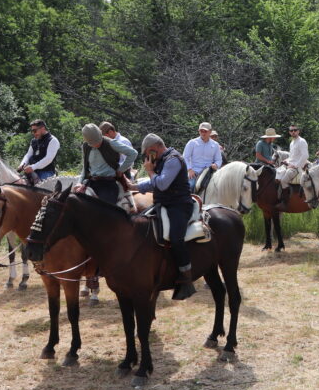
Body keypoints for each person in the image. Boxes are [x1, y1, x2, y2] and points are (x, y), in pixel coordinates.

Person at [132, 134, 195, 300]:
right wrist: (133, 186)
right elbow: (153, 183)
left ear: (154, 149)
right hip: (164, 204)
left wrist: (150, 170)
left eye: (148, 153)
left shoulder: (173, 160)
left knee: (176, 237)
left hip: (179, 205)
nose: (148, 158)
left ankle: (186, 276)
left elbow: (161, 183)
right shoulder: (161, 160)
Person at [74, 123, 137, 205]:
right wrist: (79, 182)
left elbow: (133, 153)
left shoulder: (111, 143)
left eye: (98, 140)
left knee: (105, 209)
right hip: (91, 182)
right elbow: (85, 167)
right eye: (93, 142)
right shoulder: (86, 146)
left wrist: (121, 170)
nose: (97, 143)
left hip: (108, 184)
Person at [275, 125, 309, 210]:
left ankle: (285, 203)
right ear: (289, 132)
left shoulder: (302, 141)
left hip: (297, 168)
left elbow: (305, 155)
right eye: (291, 131)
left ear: (298, 131)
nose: (293, 132)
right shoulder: (292, 143)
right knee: (275, 175)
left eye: (295, 130)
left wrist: (296, 165)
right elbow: (292, 157)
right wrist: (286, 161)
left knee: (283, 180)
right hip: (290, 165)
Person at [183, 122, 222, 194]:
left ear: (210, 132)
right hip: (195, 172)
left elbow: (218, 159)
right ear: (199, 131)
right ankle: (187, 204)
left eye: (205, 131)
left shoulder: (215, 145)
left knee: (221, 187)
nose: (203, 133)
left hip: (209, 172)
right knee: (190, 186)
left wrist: (216, 165)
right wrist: (189, 169)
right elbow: (185, 157)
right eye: (201, 131)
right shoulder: (192, 143)